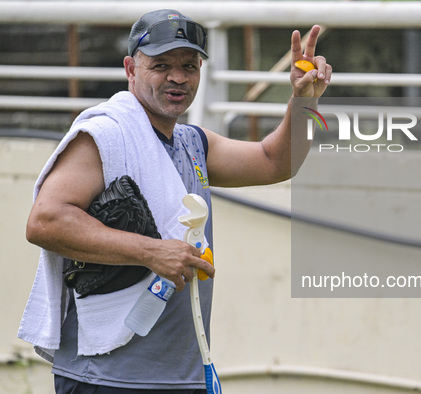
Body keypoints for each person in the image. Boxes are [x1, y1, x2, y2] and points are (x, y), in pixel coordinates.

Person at [18, 9, 331, 393]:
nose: (178, 77)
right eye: (161, 64)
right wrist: (150, 251)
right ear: (131, 69)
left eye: (189, 65)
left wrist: (303, 102)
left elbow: (276, 162)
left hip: (184, 375)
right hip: (105, 378)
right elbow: (45, 221)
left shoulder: (193, 142)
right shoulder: (105, 134)